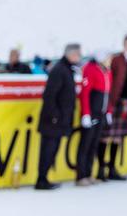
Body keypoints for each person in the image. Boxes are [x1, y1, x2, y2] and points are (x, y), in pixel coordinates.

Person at [36, 43, 81, 190]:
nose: (79, 57)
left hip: (59, 120)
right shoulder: (59, 70)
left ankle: (44, 178)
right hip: (52, 121)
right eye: (78, 54)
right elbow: (49, 95)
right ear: (71, 54)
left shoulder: (66, 69)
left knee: (52, 150)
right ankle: (41, 179)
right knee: (48, 150)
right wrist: (55, 116)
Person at [99, 35, 127, 181]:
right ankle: (100, 169)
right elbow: (109, 79)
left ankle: (112, 169)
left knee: (117, 137)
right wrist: (109, 103)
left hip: (126, 102)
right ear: (125, 45)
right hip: (114, 101)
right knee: (106, 136)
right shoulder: (116, 60)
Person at [76, 53, 111, 186]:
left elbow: (108, 94)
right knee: (85, 144)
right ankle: (81, 175)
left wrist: (108, 111)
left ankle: (89, 173)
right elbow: (85, 93)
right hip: (92, 114)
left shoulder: (107, 71)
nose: (109, 61)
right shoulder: (91, 69)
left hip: (101, 114)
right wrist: (86, 113)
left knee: (94, 145)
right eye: (108, 58)